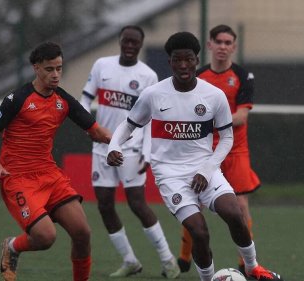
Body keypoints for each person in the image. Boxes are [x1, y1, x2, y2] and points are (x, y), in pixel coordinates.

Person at [106, 31, 283, 281]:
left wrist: (207, 170)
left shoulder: (214, 95)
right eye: (177, 60)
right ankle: (208, 278)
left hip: (205, 170)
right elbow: (129, 124)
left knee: (235, 213)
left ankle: (253, 267)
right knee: (199, 232)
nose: (183, 65)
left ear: (196, 60)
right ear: (170, 63)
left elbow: (227, 138)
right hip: (170, 176)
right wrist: (114, 145)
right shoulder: (153, 94)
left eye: (188, 59)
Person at [0, 41, 111, 281]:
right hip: (18, 179)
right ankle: (12, 246)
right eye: (49, 69)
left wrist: (120, 143)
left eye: (59, 68)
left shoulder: (64, 101)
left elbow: (97, 131)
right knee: (45, 237)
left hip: (49, 175)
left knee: (82, 233)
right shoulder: (17, 99)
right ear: (36, 68)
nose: (56, 74)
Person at [79, 25, 180, 278]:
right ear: (120, 41)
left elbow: (152, 119)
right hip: (102, 147)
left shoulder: (147, 76)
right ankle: (130, 260)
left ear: (141, 44)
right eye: (126, 40)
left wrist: (147, 152)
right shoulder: (102, 65)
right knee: (104, 205)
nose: (130, 45)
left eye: (135, 42)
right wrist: (87, 124)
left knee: (137, 203)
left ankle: (168, 260)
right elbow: (84, 98)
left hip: (131, 149)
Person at [176, 24, 262, 276]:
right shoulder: (198, 76)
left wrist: (211, 120)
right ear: (210, 45)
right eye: (219, 42)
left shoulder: (243, 76)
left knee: (241, 205)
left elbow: (242, 116)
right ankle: (184, 255)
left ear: (234, 47)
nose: (223, 47)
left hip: (235, 150)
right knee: (193, 204)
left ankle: (245, 262)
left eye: (228, 43)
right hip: (203, 151)